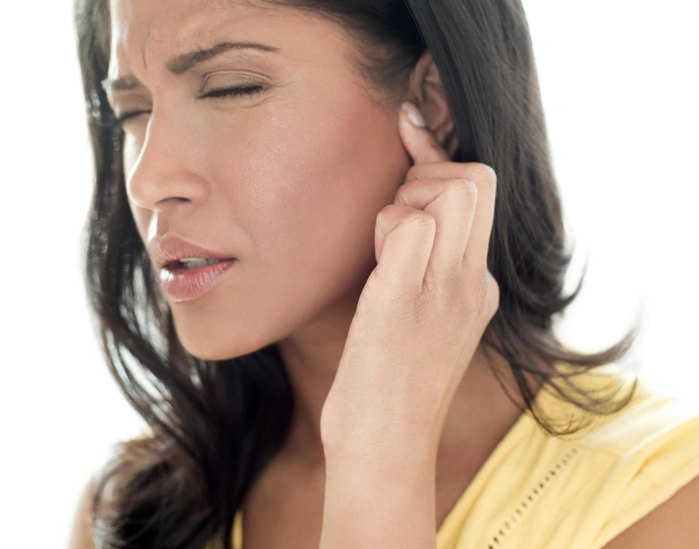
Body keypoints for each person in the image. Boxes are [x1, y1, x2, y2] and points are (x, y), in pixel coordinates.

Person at [68, 0, 699, 548]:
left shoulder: (666, 505)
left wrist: (379, 456)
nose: (148, 181)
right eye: (133, 111)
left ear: (431, 102)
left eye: (229, 88)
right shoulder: (131, 511)